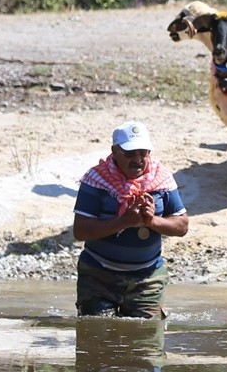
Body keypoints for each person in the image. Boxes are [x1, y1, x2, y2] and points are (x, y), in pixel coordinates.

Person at [73, 120, 189, 319]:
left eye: (142, 152)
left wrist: (152, 222)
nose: (137, 159)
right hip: (98, 277)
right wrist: (124, 222)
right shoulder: (96, 180)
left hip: (147, 279)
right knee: (98, 341)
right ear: (115, 152)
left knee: (147, 346)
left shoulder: (161, 180)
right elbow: (80, 231)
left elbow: (182, 225)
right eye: (130, 153)